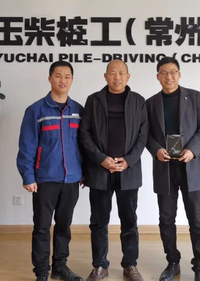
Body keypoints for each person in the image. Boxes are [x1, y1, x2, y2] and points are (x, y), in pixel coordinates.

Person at [79, 59, 148, 281]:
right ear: (105, 76)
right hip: (100, 170)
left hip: (128, 171)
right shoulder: (94, 100)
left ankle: (130, 265)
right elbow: (84, 134)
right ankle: (100, 265)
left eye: (121, 73)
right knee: (99, 221)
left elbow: (143, 135)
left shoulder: (138, 101)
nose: (117, 77)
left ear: (128, 76)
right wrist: (101, 159)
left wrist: (128, 160)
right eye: (112, 73)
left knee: (129, 220)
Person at [17, 61, 84, 281]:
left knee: (64, 226)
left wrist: (84, 172)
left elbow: (84, 145)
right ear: (49, 78)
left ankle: (60, 267)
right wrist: (28, 176)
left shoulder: (79, 111)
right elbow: (27, 146)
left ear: (72, 80)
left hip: (71, 179)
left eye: (67, 76)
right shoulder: (36, 110)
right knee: (42, 227)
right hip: (45, 178)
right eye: (58, 76)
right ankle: (42, 272)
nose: (63, 80)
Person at [146, 56, 200, 281]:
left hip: (191, 166)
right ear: (158, 76)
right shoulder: (151, 103)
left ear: (179, 74)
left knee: (197, 219)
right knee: (166, 218)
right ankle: (172, 262)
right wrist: (156, 149)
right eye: (164, 73)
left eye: (173, 72)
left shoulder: (194, 96)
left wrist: (193, 149)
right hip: (164, 167)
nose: (169, 77)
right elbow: (146, 134)